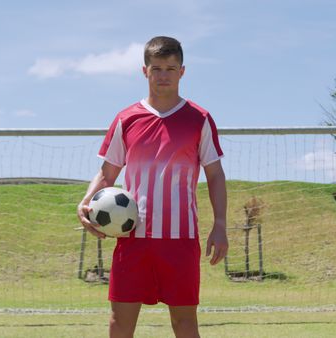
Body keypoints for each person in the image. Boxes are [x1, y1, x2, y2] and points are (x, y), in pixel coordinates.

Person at [77, 36, 228, 338]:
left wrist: (220, 223)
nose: (163, 75)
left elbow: (214, 175)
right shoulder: (126, 118)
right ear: (144, 71)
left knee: (184, 323)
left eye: (171, 68)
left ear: (182, 72)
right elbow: (107, 173)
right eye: (156, 68)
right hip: (133, 237)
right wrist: (86, 202)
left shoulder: (199, 119)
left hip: (180, 238)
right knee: (120, 322)